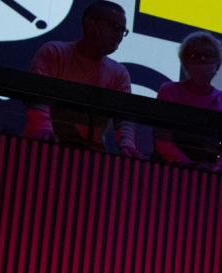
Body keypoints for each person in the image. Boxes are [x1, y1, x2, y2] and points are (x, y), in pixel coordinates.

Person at [23, 1, 140, 156]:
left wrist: (127, 145)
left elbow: (124, 117)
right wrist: (45, 132)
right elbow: (37, 99)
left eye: (123, 30)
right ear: (90, 24)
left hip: (90, 155)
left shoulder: (119, 73)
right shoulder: (54, 53)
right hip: (43, 150)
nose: (119, 35)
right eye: (114, 27)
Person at [153, 31, 222, 173]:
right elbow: (162, 140)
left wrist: (216, 168)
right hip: (170, 171)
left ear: (217, 63)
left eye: (208, 55)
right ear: (185, 62)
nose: (202, 60)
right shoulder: (169, 91)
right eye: (195, 55)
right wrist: (190, 167)